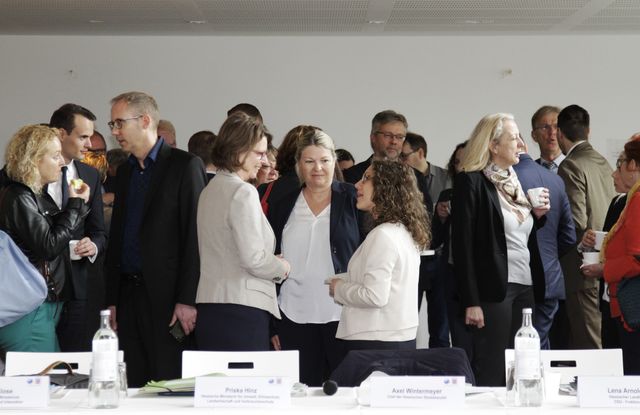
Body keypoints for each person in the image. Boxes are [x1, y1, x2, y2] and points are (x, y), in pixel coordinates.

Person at [105, 91, 206, 387]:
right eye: (113, 124)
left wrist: (187, 299)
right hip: (128, 295)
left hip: (168, 299)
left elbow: (194, 236)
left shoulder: (184, 165)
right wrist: (112, 301)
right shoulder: (124, 172)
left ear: (145, 120)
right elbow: (118, 238)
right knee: (133, 381)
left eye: (119, 123)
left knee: (168, 382)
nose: (115, 132)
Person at [452, 113, 548, 386]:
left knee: (523, 366)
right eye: (514, 137)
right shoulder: (470, 182)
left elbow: (518, 235)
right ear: (493, 146)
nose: (521, 143)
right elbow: (463, 247)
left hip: (525, 285)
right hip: (493, 289)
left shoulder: (515, 181)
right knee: (494, 366)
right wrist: (471, 301)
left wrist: (539, 216)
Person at [267, 128, 360, 386]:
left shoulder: (353, 199)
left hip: (341, 317)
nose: (317, 168)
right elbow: (269, 259)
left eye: (324, 160)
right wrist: (273, 325)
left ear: (334, 161)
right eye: (309, 161)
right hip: (292, 316)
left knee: (342, 393)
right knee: (299, 394)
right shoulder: (283, 204)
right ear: (298, 165)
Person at [195, 112, 290, 351]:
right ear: (238, 151)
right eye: (259, 153)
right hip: (241, 310)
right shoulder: (243, 192)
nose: (264, 161)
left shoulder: (210, 189)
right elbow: (254, 259)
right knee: (247, 387)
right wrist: (282, 267)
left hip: (211, 306)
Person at [0, 125, 90, 352]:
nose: (62, 162)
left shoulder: (30, 195)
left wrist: (76, 207)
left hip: (34, 306)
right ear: (34, 160)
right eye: (55, 155)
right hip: (28, 308)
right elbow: (49, 245)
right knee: (40, 381)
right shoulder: (19, 196)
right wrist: (76, 205)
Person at [329, 160, 430, 352]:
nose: (357, 185)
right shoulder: (403, 231)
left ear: (387, 186)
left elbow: (375, 296)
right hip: (395, 337)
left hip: (375, 339)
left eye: (366, 178)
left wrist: (339, 288)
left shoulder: (383, 234)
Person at [48, 103, 107, 352]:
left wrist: (92, 245)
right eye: (83, 137)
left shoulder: (89, 175)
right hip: (40, 288)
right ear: (61, 134)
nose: (89, 145)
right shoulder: (26, 173)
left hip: (79, 286)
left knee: (78, 362)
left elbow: (99, 232)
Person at [556, 104, 616, 349]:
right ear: (588, 131)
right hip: (607, 262)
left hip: (582, 266)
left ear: (559, 133)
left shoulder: (570, 166)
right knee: (602, 339)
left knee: (589, 344)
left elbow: (576, 221)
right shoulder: (604, 163)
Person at [582, 135, 640, 374]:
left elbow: (637, 258)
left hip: (632, 307)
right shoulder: (630, 199)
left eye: (621, 162)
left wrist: (603, 269)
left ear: (634, 165)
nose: (617, 170)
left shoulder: (638, 198)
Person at [512, 134, 576, 349]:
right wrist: (548, 256)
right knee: (540, 341)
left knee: (515, 347)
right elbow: (569, 236)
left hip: (515, 279)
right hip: (550, 277)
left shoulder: (505, 179)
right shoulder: (555, 179)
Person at [401, 131, 451, 348]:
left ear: (420, 153)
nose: (401, 161)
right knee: (408, 315)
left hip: (441, 257)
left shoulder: (446, 178)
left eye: (404, 156)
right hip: (415, 258)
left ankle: (439, 367)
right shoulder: (402, 180)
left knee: (441, 321)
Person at [531, 105, 564, 172]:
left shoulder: (578, 168)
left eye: (557, 127)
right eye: (545, 127)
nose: (552, 132)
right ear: (534, 135)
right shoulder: (528, 171)